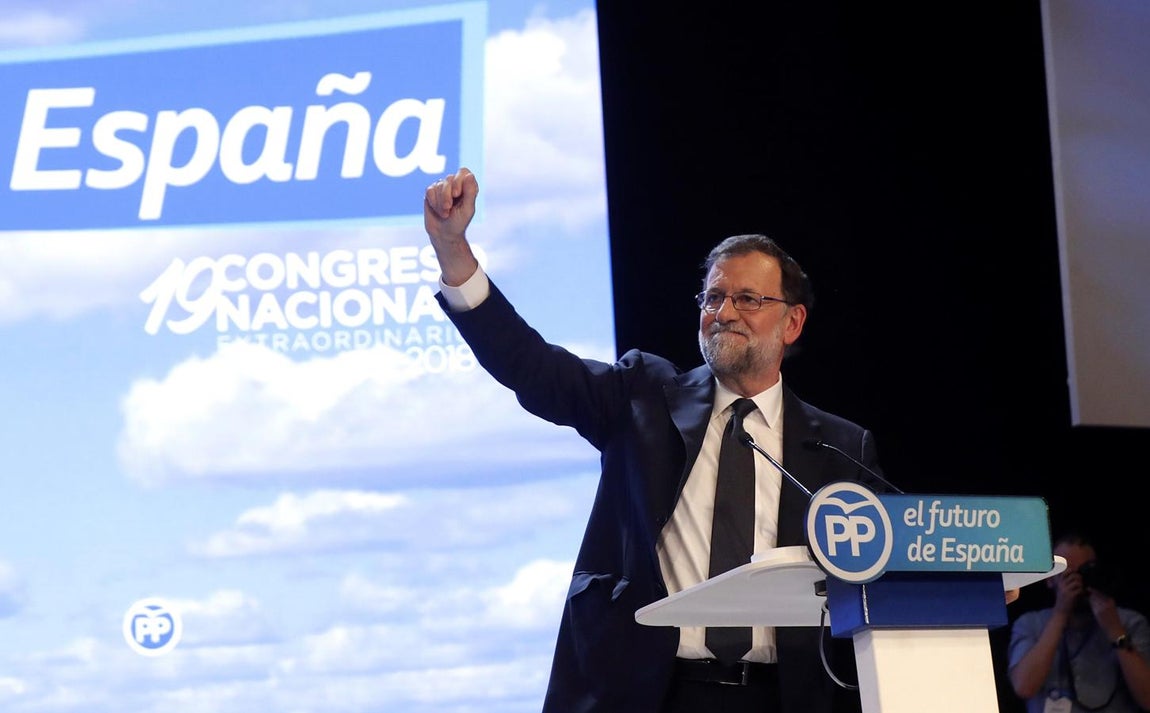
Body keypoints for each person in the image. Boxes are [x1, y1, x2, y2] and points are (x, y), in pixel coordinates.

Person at [423, 167, 888, 713]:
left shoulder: (839, 448)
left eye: (747, 299)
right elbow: (531, 365)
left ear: (792, 323)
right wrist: (453, 250)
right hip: (647, 691)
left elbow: (884, 570)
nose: (724, 313)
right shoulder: (641, 396)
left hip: (781, 697)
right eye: (713, 297)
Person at [1008, 530, 1150, 712]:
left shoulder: (1130, 622)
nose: (1078, 582)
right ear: (1049, 580)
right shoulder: (1031, 624)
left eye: (1085, 571)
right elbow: (1023, 687)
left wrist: (1116, 631)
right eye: (1067, 575)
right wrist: (1060, 614)